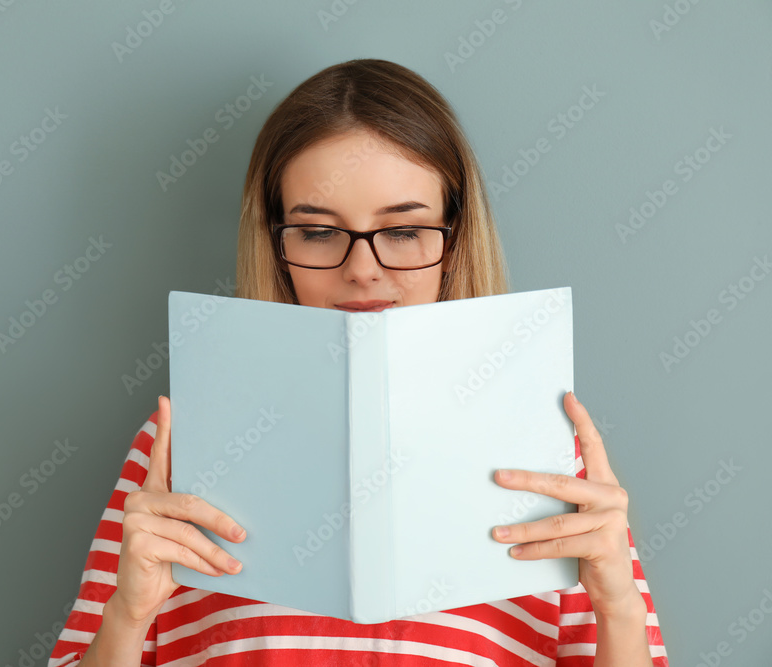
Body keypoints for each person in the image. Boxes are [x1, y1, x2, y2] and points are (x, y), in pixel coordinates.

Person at [48, 58, 668, 666]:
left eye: (403, 231)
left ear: (453, 241)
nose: (363, 269)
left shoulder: (553, 453)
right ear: (277, 244)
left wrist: (618, 609)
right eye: (318, 232)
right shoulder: (181, 444)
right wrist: (127, 617)